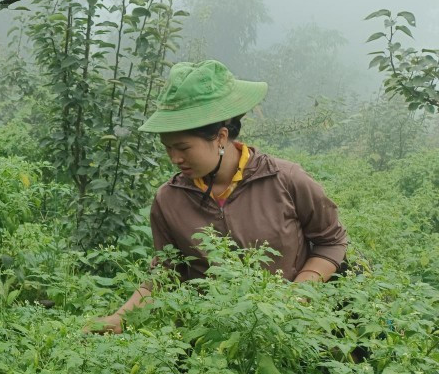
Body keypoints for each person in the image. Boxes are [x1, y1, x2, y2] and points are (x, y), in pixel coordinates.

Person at [93, 60, 348, 334]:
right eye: (167, 148)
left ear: (220, 137)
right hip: (212, 340)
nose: (175, 158)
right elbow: (166, 272)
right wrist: (120, 317)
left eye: (183, 148)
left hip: (291, 333)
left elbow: (330, 241)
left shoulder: (284, 179)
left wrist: (296, 298)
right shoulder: (169, 200)